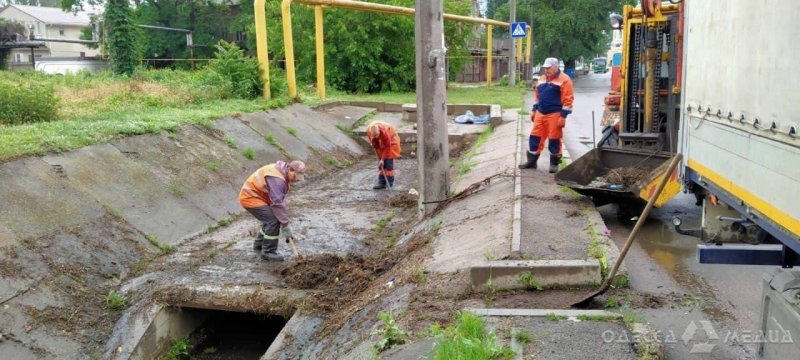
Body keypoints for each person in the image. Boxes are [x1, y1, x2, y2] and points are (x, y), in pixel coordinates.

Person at [238, 160, 306, 261]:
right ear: (290, 170)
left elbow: (278, 201)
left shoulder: (281, 171)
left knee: (269, 219)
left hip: (259, 197)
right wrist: (285, 225)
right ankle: (268, 252)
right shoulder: (277, 179)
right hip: (250, 197)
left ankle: (259, 244)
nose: (296, 180)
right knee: (273, 221)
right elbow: (277, 203)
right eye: (295, 176)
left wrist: (284, 220)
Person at [519, 57, 574, 173]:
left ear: (556, 67)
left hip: (555, 114)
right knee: (535, 137)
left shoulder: (565, 80)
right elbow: (537, 97)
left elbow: (568, 100)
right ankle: (531, 162)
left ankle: (554, 164)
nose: (546, 70)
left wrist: (563, 117)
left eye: (549, 68)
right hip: (540, 113)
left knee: (554, 138)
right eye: (545, 68)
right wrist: (534, 110)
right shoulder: (542, 79)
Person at [366, 120, 401, 189]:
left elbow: (388, 147)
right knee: (381, 164)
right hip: (381, 142)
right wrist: (380, 159)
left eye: (377, 135)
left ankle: (389, 183)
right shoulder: (370, 132)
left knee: (388, 162)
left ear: (379, 132)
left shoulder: (385, 132)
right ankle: (381, 182)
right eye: (374, 136)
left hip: (391, 143)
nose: (376, 137)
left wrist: (382, 159)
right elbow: (375, 145)